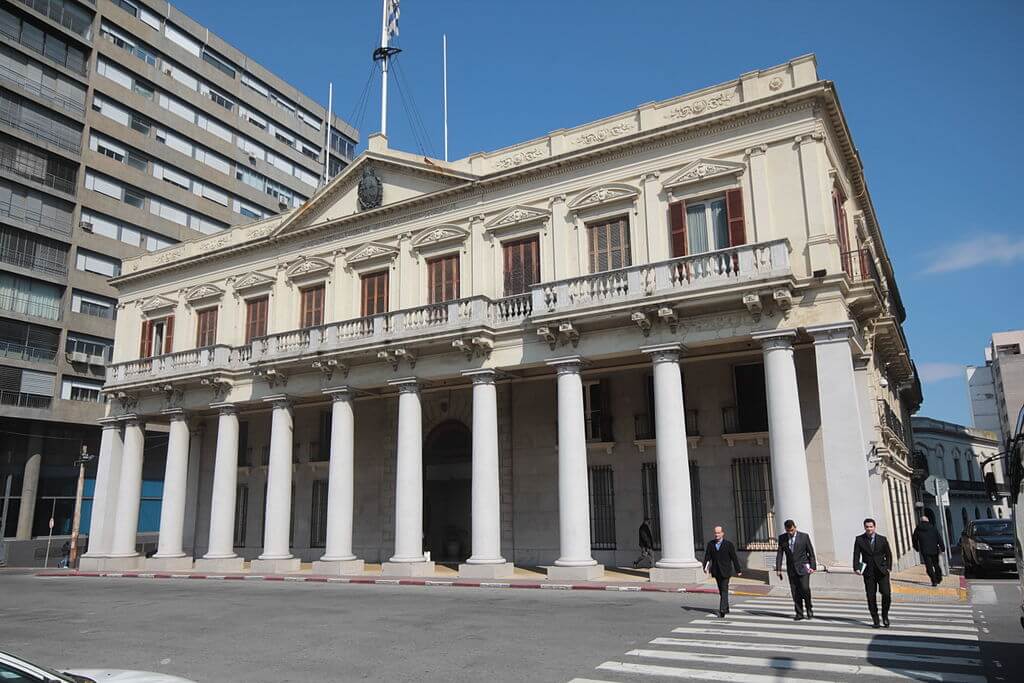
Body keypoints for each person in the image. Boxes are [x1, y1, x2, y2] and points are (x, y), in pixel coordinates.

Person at [853, 518, 893, 628]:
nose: (869, 529)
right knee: (871, 596)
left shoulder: (882, 539)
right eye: (867, 527)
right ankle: (875, 618)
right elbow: (856, 554)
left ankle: (885, 615)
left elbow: (888, 554)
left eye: (871, 526)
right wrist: (856, 567)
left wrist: (889, 567)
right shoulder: (859, 539)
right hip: (868, 572)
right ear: (864, 527)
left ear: (874, 527)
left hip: (882, 571)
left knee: (886, 594)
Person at [775, 519, 816, 620]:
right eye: (788, 531)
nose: (790, 533)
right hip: (791, 569)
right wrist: (778, 568)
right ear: (785, 529)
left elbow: (811, 553)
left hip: (804, 567)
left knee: (805, 588)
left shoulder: (804, 537)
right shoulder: (782, 538)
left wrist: (812, 567)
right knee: (795, 591)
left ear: (795, 527)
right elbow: (780, 553)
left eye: (792, 530)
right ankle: (799, 613)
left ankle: (809, 608)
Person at [704, 526, 742, 618]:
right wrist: (705, 567)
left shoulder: (728, 544)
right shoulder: (711, 544)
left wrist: (738, 570)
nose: (716, 535)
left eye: (718, 533)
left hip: (726, 571)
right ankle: (726, 607)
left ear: (722, 533)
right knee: (721, 590)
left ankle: (722, 610)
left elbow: (734, 558)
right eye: (715, 533)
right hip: (716, 571)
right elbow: (707, 556)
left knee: (724, 589)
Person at [912, 515, 945, 586]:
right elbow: (939, 538)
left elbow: (914, 539)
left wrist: (916, 548)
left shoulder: (918, 529)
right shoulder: (933, 527)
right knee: (936, 565)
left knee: (929, 567)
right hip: (934, 550)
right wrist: (942, 548)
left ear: (921, 521)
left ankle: (934, 580)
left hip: (925, 551)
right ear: (928, 520)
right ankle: (939, 578)